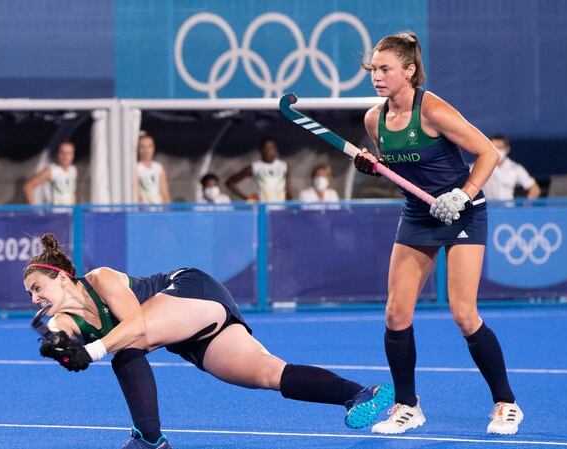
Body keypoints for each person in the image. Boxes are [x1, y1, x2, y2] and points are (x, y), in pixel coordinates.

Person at [25, 234, 394, 449]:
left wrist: (90, 351)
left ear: (62, 278)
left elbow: (135, 325)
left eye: (37, 288)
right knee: (269, 374)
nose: (34, 299)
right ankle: (361, 392)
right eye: (28, 294)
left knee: (127, 348)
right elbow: (68, 339)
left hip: (190, 291)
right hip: (189, 334)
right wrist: (64, 353)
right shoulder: (63, 318)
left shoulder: (101, 278)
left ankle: (149, 440)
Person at [353, 31, 522, 435]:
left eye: (385, 69)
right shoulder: (374, 119)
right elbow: (402, 171)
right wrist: (374, 165)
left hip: (462, 213)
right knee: (396, 313)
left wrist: (463, 195)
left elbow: (488, 153)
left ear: (409, 71)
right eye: (373, 69)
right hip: (418, 214)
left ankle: (506, 404)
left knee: (464, 314)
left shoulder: (433, 110)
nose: (376, 76)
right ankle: (407, 406)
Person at [226, 137, 291, 202]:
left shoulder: (284, 166)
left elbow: (288, 190)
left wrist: (291, 204)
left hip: (281, 208)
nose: (269, 151)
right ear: (261, 150)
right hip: (262, 209)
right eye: (266, 148)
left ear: (276, 149)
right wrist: (246, 198)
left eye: (272, 148)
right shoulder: (254, 167)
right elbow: (230, 182)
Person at [24, 142, 78, 206]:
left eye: (69, 153)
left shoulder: (73, 170)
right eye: (62, 153)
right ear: (58, 154)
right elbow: (28, 186)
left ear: (73, 155)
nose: (65, 156)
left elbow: (72, 192)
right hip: (54, 213)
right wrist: (35, 209)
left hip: (70, 213)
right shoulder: (51, 171)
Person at [136, 133, 171, 205]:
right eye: (142, 147)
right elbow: (138, 195)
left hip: (159, 210)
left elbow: (165, 193)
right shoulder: (136, 168)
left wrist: (168, 213)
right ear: (138, 149)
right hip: (144, 211)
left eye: (149, 146)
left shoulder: (158, 168)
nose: (146, 150)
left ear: (153, 148)